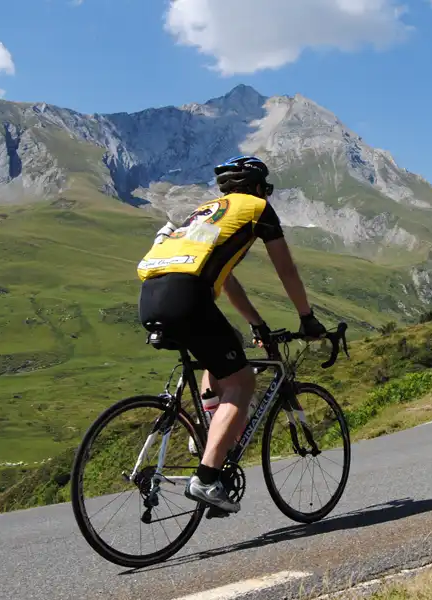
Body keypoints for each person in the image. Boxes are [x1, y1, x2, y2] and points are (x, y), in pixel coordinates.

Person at [136, 155, 326, 513]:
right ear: (257, 187)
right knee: (241, 382)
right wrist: (307, 317)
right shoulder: (257, 209)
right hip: (188, 297)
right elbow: (286, 270)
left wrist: (255, 322)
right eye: (266, 189)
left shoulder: (206, 213)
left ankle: (210, 432)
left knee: (223, 352)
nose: (267, 195)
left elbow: (227, 279)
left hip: (150, 297)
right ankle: (207, 479)